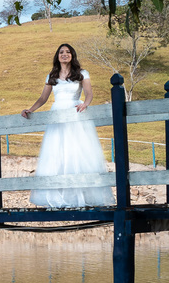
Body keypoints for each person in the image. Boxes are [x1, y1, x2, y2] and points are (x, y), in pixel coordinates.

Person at [20, 43, 115, 207]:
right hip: (57, 115)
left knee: (77, 152)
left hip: (74, 113)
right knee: (56, 152)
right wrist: (30, 109)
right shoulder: (52, 75)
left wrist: (85, 104)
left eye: (68, 52)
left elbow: (89, 93)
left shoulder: (82, 73)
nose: (65, 54)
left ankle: (82, 196)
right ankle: (58, 196)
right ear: (57, 56)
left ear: (72, 55)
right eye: (61, 52)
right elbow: (43, 98)